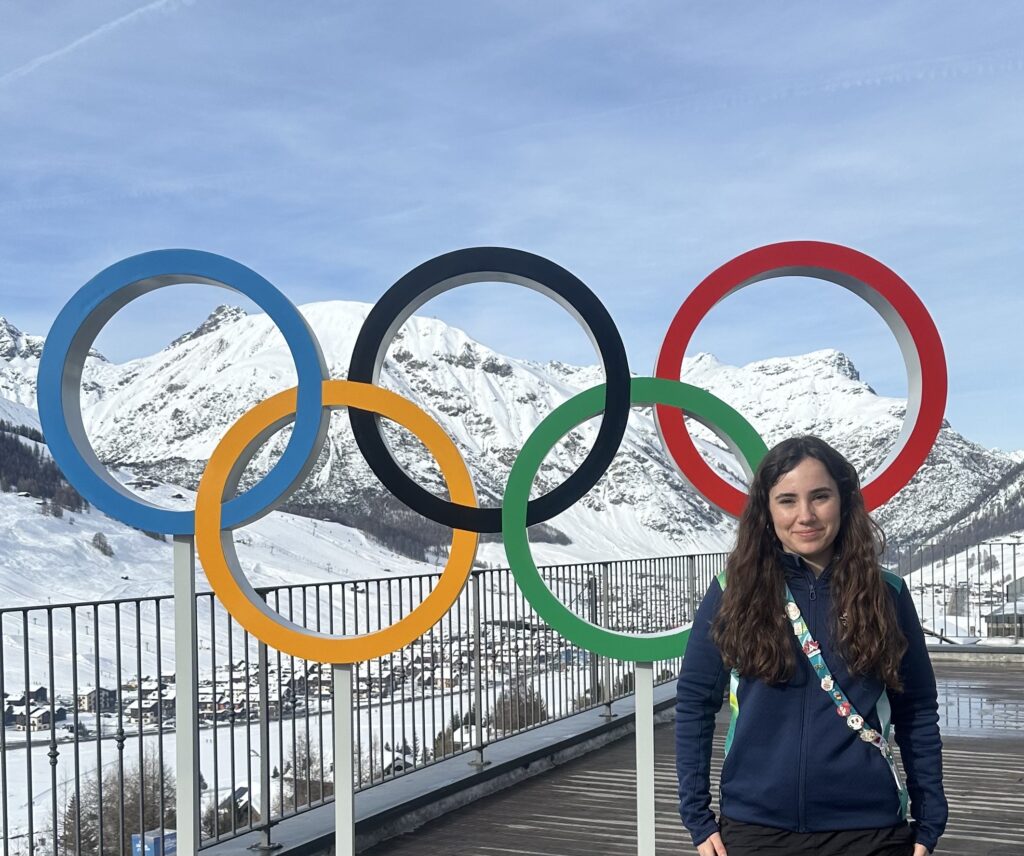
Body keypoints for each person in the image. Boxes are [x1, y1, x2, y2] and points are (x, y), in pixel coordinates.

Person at [675, 435, 947, 856]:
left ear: (844, 500)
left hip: (869, 829)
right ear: (766, 510)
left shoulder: (886, 594)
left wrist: (929, 821)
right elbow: (695, 701)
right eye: (787, 500)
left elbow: (917, 708)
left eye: (820, 496)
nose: (805, 516)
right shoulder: (733, 592)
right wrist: (696, 816)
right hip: (756, 827)